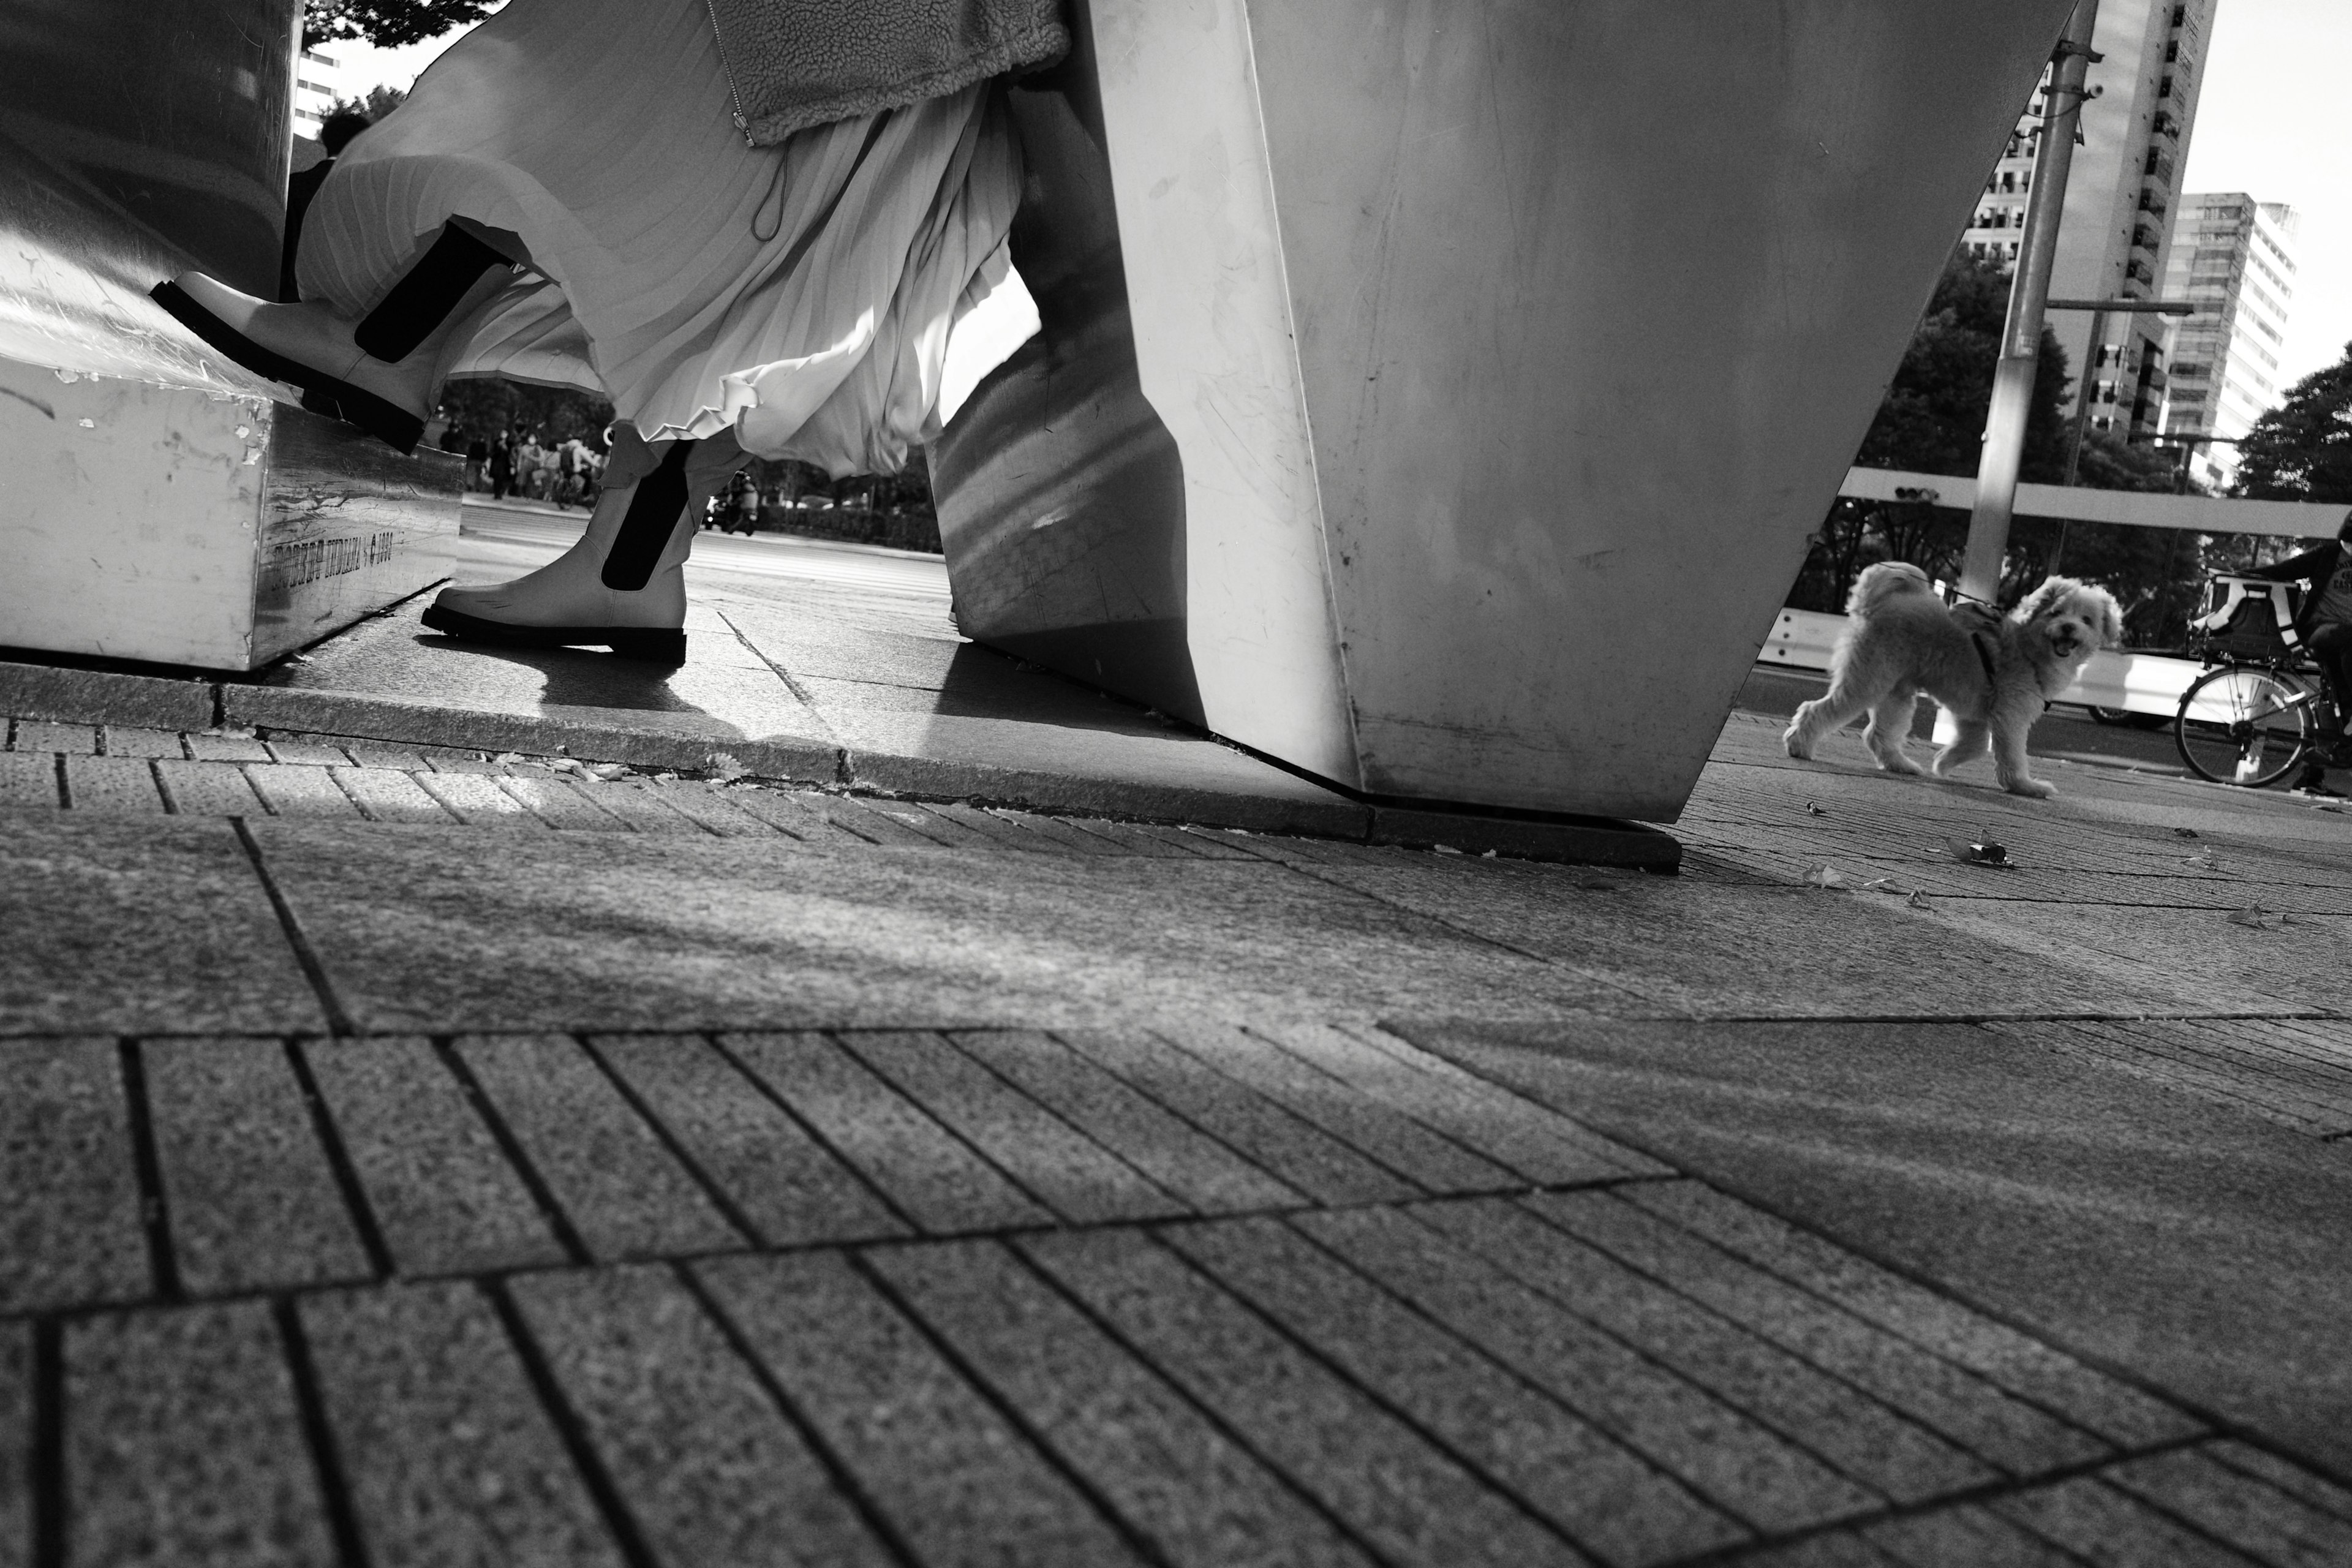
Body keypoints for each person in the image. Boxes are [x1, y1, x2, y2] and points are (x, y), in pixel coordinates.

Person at [152, 0, 1059, 665]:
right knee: (754, 250)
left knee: (611, 123)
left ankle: (396, 352)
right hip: (903, 34)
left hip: (862, 30)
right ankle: (629, 567)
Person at [2248, 508, 2352, 796]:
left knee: (2333, 702)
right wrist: (2242, 575)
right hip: (2321, 630)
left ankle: (2311, 778)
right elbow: (2284, 571)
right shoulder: (2327, 556)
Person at [280, 108, 373, 303]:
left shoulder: (292, 186)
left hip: (283, 302)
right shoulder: (369, 196)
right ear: (363, 144)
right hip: (341, 313)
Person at [487, 430, 514, 499]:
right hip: (497, 463)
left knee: (502, 479)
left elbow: (510, 454)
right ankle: (496, 493)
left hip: (505, 464)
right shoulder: (497, 442)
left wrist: (505, 447)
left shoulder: (509, 443)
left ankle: (500, 493)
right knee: (496, 478)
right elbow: (493, 452)